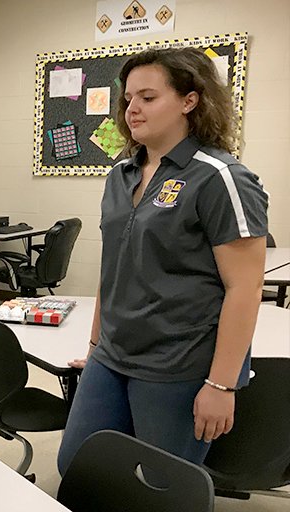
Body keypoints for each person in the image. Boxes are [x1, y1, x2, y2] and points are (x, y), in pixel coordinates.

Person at [57, 48, 268, 474]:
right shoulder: (121, 174)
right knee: (78, 467)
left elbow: (244, 288)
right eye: (128, 98)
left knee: (160, 486)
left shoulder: (220, 177)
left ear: (190, 100)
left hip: (179, 365)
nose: (132, 108)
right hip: (112, 357)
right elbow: (113, 267)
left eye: (148, 98)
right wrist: (97, 346)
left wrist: (221, 384)